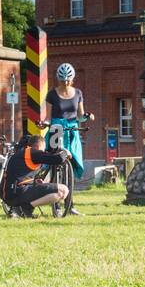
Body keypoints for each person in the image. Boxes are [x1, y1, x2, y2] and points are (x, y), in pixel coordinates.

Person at [42, 62, 92, 214]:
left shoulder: (78, 93)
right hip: (56, 130)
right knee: (55, 164)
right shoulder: (52, 94)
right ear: (58, 79)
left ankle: (70, 205)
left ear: (72, 79)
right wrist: (44, 124)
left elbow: (81, 116)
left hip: (72, 130)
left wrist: (87, 116)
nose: (65, 83)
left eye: (68, 80)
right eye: (62, 80)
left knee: (70, 164)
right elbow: (48, 117)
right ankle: (56, 204)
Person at [0, 134, 70, 218]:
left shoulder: (23, 153)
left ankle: (20, 207)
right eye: (43, 149)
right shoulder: (32, 152)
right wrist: (65, 152)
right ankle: (27, 207)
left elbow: (18, 175)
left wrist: (34, 181)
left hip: (10, 194)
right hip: (17, 192)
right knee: (63, 191)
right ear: (38, 146)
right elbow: (58, 159)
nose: (43, 152)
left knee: (59, 190)